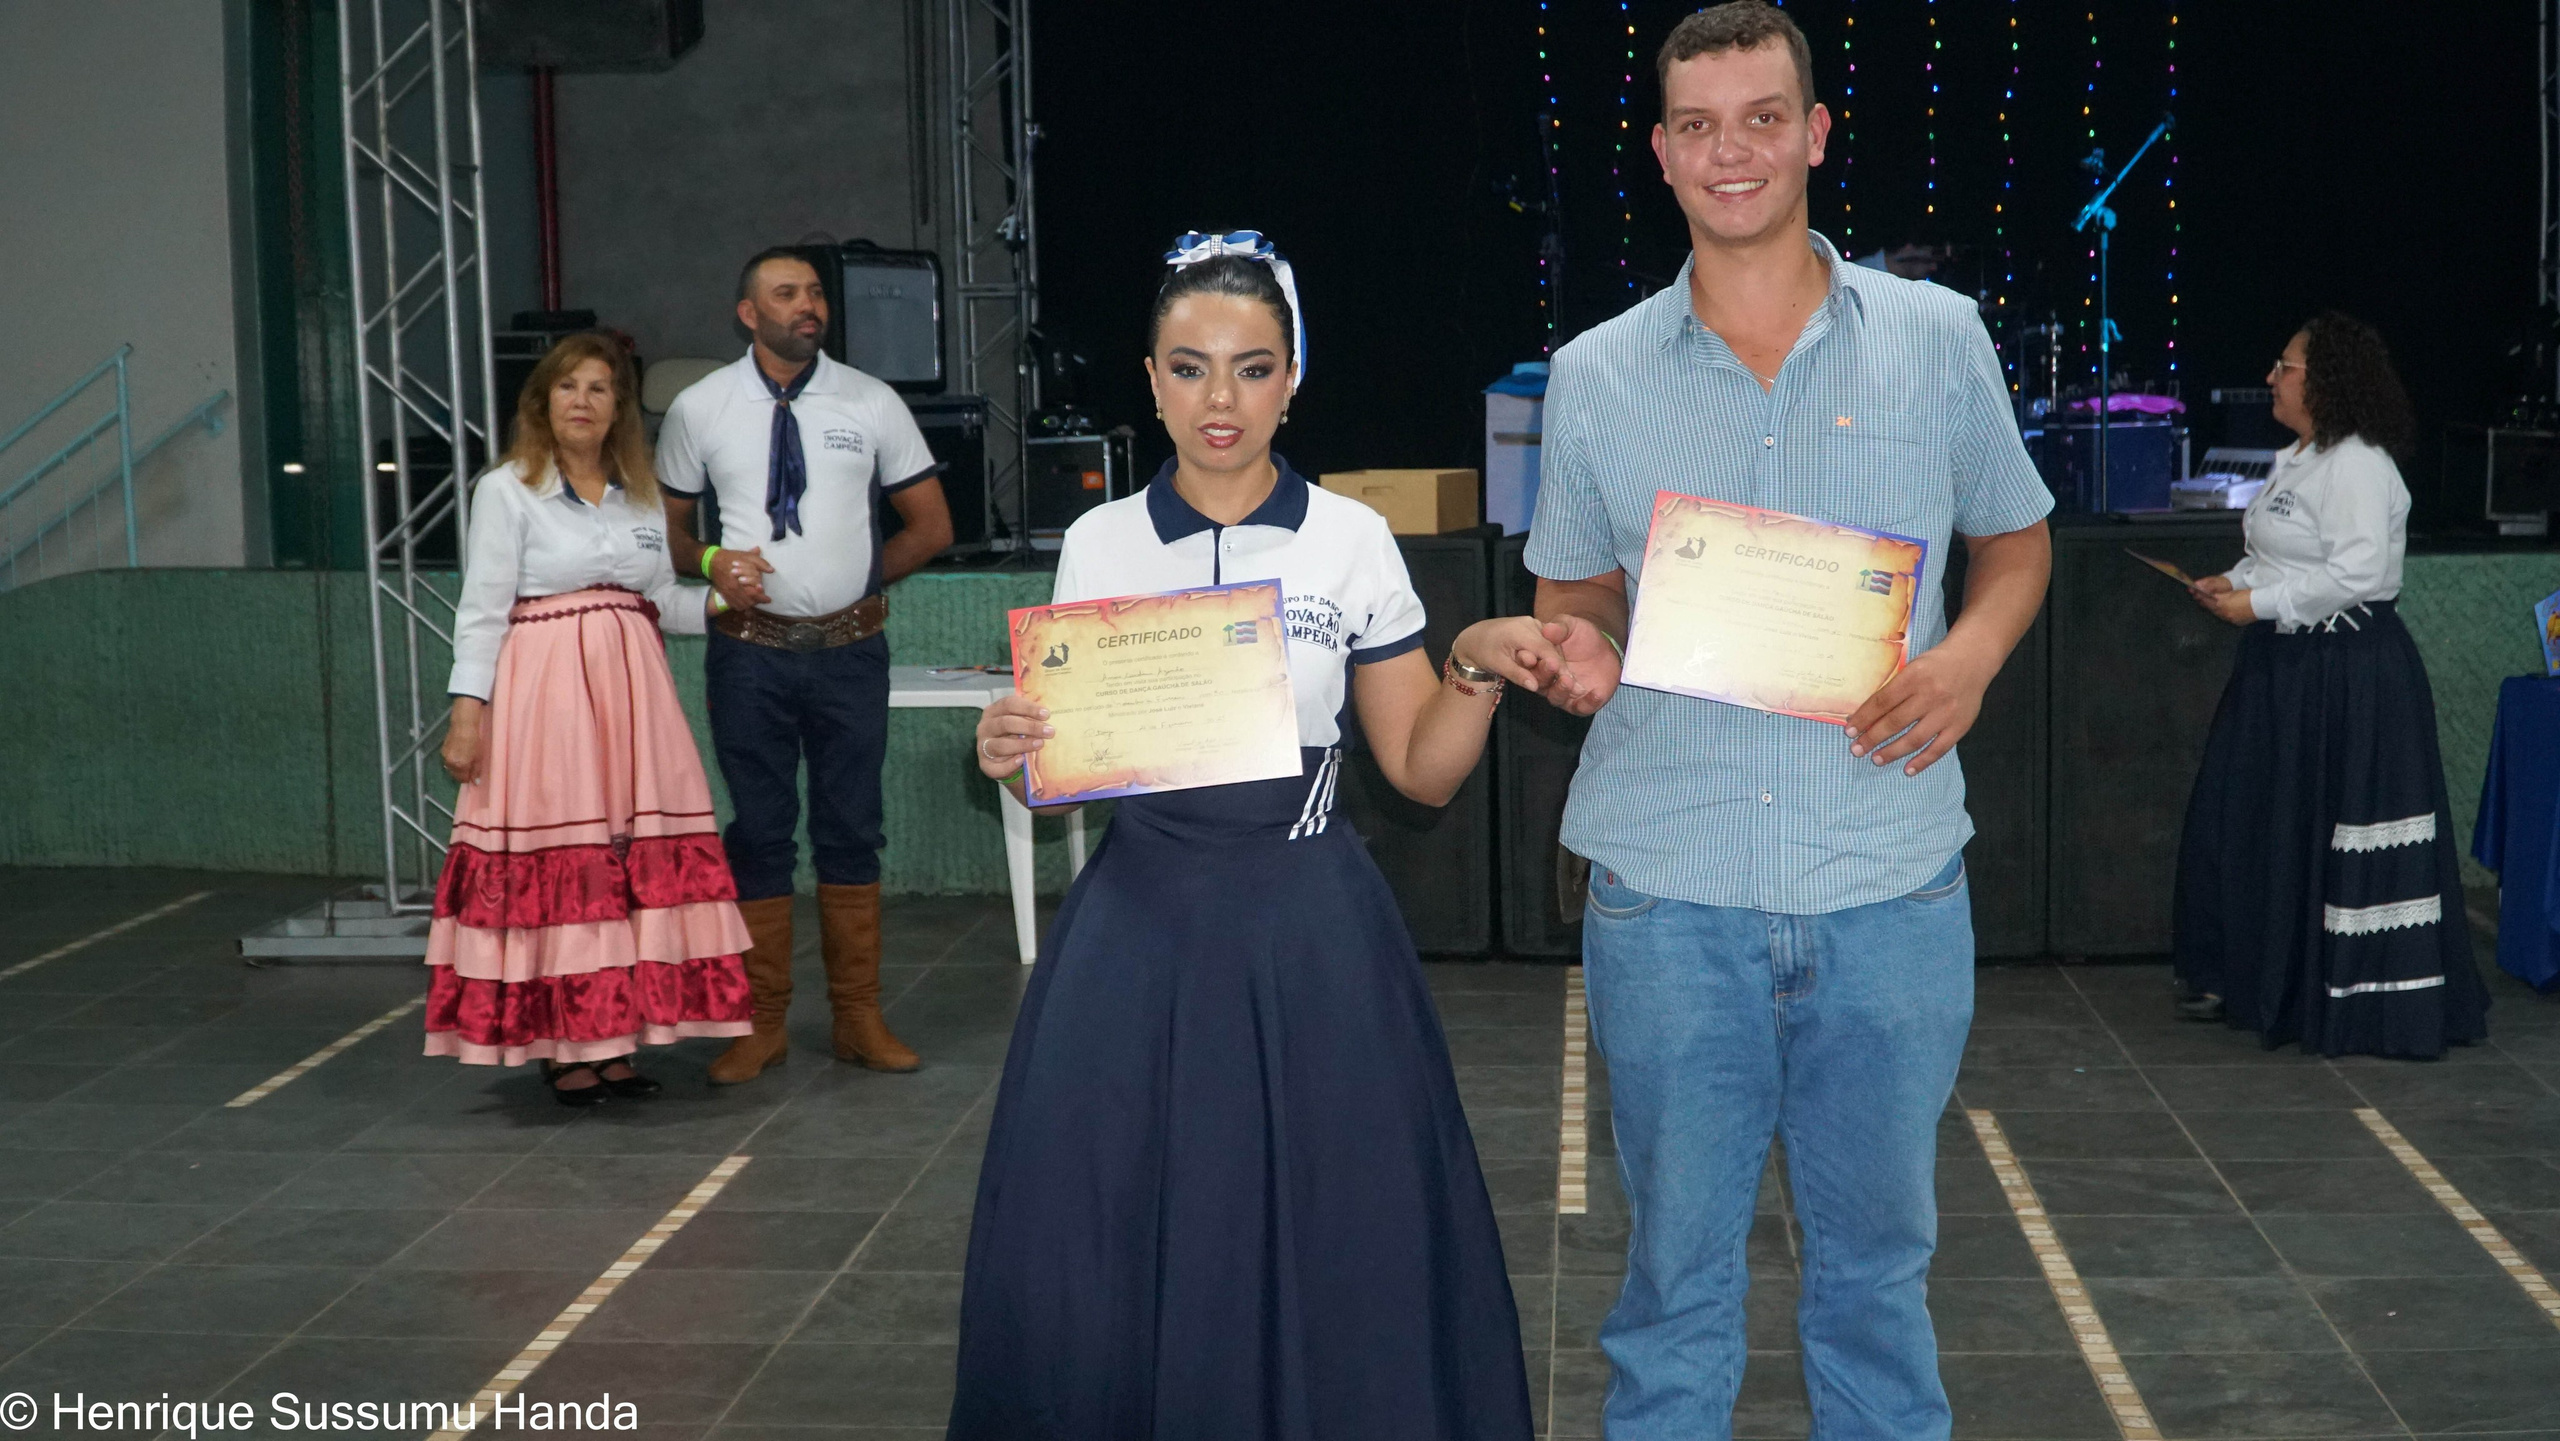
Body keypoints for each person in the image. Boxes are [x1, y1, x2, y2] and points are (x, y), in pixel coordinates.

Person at [1481, 6, 2057, 1437]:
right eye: (1696, 125)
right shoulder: (1598, 371)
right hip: (1669, 898)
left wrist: (1971, 659)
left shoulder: (1936, 338)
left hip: (1890, 886)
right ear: (1663, 156)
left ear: (1811, 134)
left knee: (1877, 1283)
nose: (1728, 151)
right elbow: (1576, 586)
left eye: (1759, 118)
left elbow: (2019, 540)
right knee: (1672, 1291)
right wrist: (1579, 652)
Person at [951, 232, 1534, 1439]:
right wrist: (1010, 758)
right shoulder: (1099, 542)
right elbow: (1063, 774)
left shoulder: (1352, 540)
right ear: (1152, 378)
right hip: (1138, 936)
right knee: (1108, 1231)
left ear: (1292, 378)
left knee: (1340, 1228)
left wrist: (1473, 668)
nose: (1222, 399)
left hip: (1310, 927)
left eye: (1252, 368)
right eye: (1192, 367)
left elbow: (1419, 773)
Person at [656, 247, 957, 1084]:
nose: (808, 306)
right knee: (758, 832)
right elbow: (667, 536)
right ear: (747, 313)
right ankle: (762, 1024)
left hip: (852, 653)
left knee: (852, 828)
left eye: (815, 292)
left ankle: (859, 1019)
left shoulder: (871, 400)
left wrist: (856, 585)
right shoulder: (699, 407)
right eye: (787, 294)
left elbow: (932, 527)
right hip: (749, 656)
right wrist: (712, 561)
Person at [430, 333, 753, 1104]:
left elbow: (657, 603)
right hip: (548, 697)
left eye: (600, 388)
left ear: (618, 409)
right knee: (568, 864)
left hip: (633, 701)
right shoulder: (506, 488)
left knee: (629, 861)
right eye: (568, 386)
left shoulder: (638, 495)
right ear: (542, 402)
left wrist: (723, 600)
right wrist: (466, 713)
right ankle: (567, 1044)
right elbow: (482, 611)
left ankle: (612, 1041)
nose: (583, 400)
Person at [2173, 314, 2488, 1056]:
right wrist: (2237, 581)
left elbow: (2356, 573)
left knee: (2337, 823)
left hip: (2348, 674)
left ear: (2326, 380)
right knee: (2254, 814)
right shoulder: (2299, 458)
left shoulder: (2357, 463)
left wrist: (2260, 603)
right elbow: (2281, 556)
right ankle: (2265, 977)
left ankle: (2360, 995)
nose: (2273, 377)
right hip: (2285, 668)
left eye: (2285, 365)